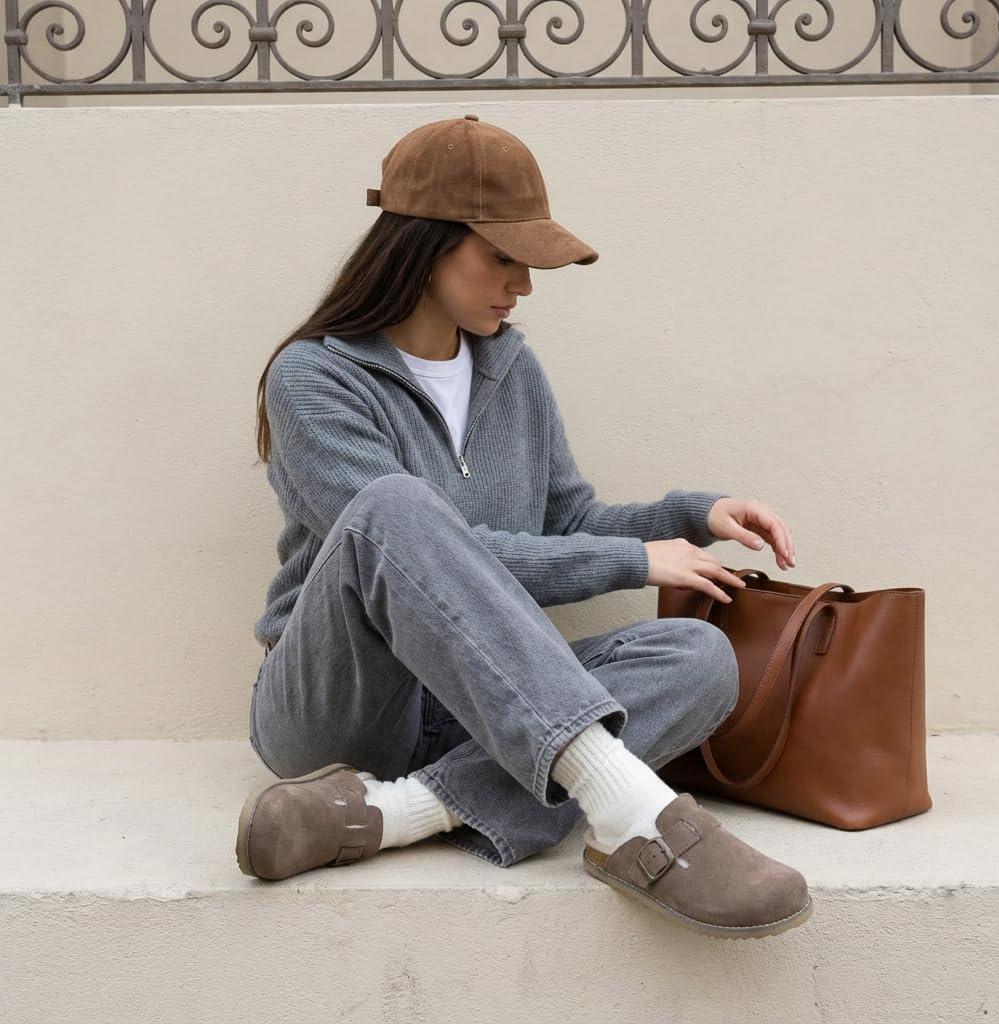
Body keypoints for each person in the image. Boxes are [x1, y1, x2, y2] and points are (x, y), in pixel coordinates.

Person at [235, 114, 812, 939]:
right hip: (340, 709)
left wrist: (690, 518)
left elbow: (566, 521)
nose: (524, 286)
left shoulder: (510, 367)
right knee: (394, 507)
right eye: (502, 258)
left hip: (481, 713)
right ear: (423, 247)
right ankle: (631, 819)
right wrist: (630, 561)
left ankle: (397, 813)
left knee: (700, 657)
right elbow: (410, 551)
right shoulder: (315, 378)